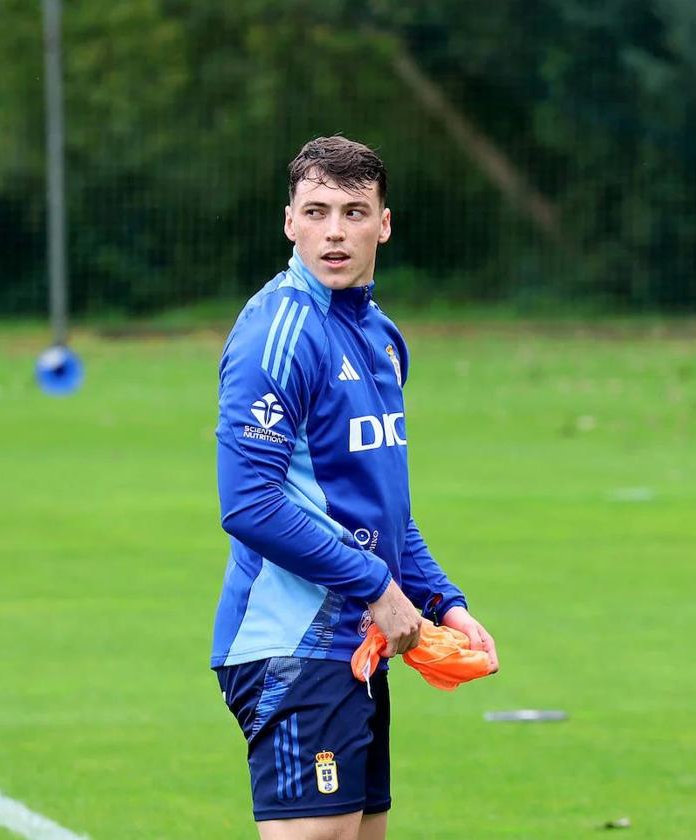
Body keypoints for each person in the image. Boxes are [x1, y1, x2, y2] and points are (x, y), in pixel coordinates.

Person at [212, 135, 499, 840]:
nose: (334, 232)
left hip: (358, 649)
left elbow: (384, 509)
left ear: (384, 223)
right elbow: (250, 504)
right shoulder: (277, 335)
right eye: (315, 211)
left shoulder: (380, 339)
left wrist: (441, 599)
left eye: (353, 211)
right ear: (289, 223)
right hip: (293, 645)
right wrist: (377, 586)